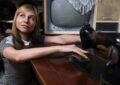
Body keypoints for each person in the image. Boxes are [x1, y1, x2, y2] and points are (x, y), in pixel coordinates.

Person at [0, 2, 88, 85]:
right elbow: (17, 56)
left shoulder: (35, 39)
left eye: (31, 18)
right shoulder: (7, 41)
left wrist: (86, 38)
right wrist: (59, 48)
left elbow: (60, 39)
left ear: (35, 24)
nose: (26, 20)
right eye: (22, 16)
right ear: (15, 20)